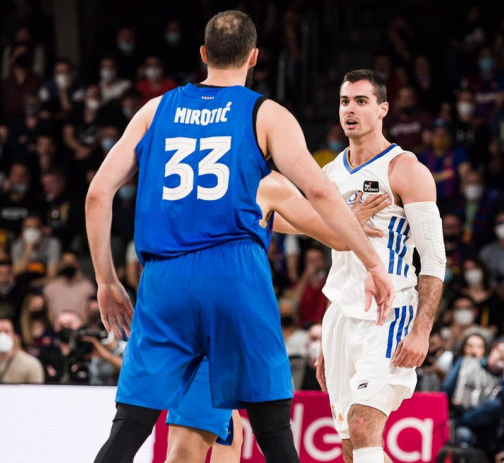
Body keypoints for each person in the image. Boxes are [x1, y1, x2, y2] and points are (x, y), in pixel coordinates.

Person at [86, 11, 393, 463]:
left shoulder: (154, 110)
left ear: (204, 54)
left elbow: (97, 194)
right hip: (233, 273)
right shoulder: (264, 113)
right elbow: (319, 191)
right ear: (254, 58)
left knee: (129, 429)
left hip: (163, 277)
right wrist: (372, 262)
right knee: (271, 427)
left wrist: (107, 282)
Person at [317, 69, 445, 463]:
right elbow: (338, 262)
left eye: (361, 101)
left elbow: (434, 260)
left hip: (389, 312)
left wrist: (422, 330)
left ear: (383, 109)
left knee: (362, 423)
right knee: (350, 446)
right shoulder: (328, 175)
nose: (350, 110)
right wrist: (326, 337)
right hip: (341, 316)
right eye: (344, 102)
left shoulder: (406, 170)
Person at [0, 317, 45, 384]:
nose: (2, 336)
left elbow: (36, 395)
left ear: (14, 336)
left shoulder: (31, 365)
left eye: (6, 332)